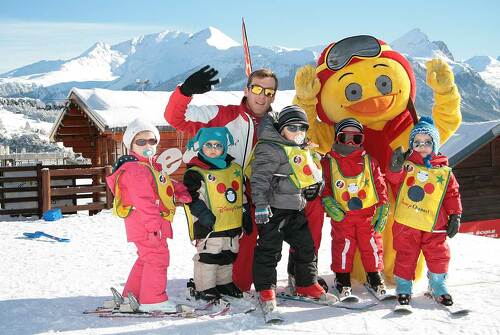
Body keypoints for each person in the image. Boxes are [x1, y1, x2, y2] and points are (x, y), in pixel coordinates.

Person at [165, 65, 278, 291]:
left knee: (242, 251)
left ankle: (234, 284)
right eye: (257, 88)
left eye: (269, 92)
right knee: (213, 243)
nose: (262, 96)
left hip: (251, 195)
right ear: (246, 90)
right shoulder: (223, 115)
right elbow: (175, 118)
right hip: (213, 192)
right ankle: (206, 285)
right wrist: (185, 92)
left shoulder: (275, 124)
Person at [250, 105, 335, 313]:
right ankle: (265, 289)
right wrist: (260, 205)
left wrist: (317, 186)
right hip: (274, 210)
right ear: (281, 130)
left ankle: (306, 283)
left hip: (296, 208)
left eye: (302, 128)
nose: (298, 132)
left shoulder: (302, 148)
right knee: (270, 250)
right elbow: (259, 179)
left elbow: (313, 174)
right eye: (292, 127)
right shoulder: (270, 147)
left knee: (306, 247)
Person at [106, 118, 191, 312]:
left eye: (152, 141)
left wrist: (179, 190)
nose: (147, 145)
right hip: (147, 223)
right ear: (131, 145)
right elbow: (144, 200)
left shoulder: (149, 167)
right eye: (141, 142)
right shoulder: (136, 170)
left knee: (146, 257)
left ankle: (132, 296)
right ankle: (153, 300)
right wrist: (153, 226)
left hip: (145, 223)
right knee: (157, 257)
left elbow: (163, 184)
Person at [386, 116, 462, 307]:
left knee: (438, 254)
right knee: (406, 254)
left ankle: (438, 284)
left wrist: (455, 214)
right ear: (412, 145)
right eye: (417, 142)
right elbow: (393, 180)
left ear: (434, 145)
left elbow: (452, 193)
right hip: (408, 221)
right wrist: (395, 167)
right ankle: (404, 285)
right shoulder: (407, 165)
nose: (422, 146)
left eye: (427, 142)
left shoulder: (444, 170)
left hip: (435, 223)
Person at [320, 118, 389, 298]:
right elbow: (324, 186)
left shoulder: (369, 161)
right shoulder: (329, 162)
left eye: (356, 139)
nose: (350, 142)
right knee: (343, 246)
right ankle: (342, 278)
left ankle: (374, 275)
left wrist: (383, 207)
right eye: (345, 137)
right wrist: (328, 202)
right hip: (343, 216)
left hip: (368, 215)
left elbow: (379, 185)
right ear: (337, 138)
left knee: (372, 245)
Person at [183, 126, 252, 301]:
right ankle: (204, 287)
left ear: (225, 147)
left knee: (227, 255)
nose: (213, 149)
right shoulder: (195, 172)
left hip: (231, 223)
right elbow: (191, 197)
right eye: (208, 145)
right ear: (201, 147)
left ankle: (223, 283)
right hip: (210, 224)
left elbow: (241, 195)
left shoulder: (235, 169)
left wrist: (245, 214)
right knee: (209, 257)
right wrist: (202, 213)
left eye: (218, 145)